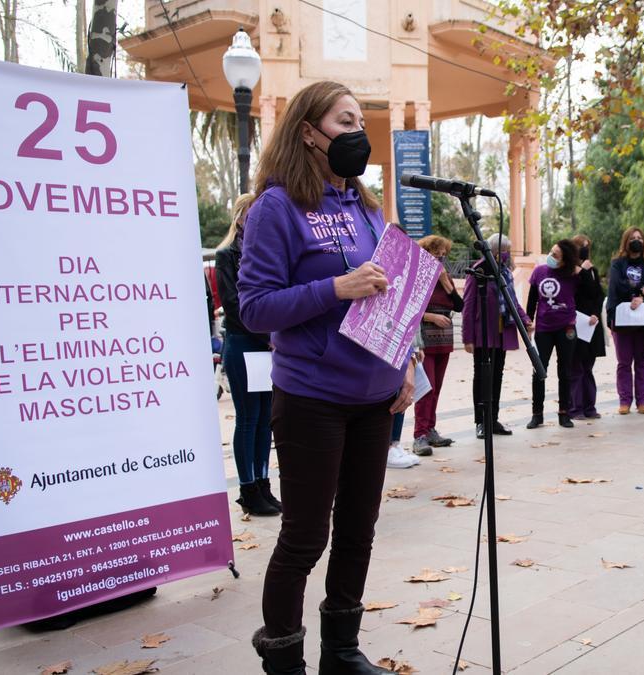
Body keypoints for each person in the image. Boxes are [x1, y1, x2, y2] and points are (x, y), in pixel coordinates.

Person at [239, 81, 415, 675]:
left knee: (358, 531)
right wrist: (334, 288)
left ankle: (341, 650)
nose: (357, 134)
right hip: (312, 396)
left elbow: (391, 297)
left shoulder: (367, 209)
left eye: (360, 122)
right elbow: (255, 308)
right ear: (309, 132)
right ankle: (284, 656)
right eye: (344, 122)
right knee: (306, 536)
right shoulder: (276, 207)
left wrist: (406, 362)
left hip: (375, 397)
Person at [215, 193, 280, 516]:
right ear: (241, 217)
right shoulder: (227, 255)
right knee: (248, 418)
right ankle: (247, 487)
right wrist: (269, 335)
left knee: (266, 418)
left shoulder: (266, 253)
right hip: (243, 342)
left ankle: (264, 483)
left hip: (266, 344)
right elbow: (234, 304)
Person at [462, 233, 531, 438]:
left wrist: (525, 319)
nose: (506, 254)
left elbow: (513, 300)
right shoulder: (479, 270)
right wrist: (467, 337)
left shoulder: (506, 273)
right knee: (482, 376)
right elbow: (468, 304)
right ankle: (480, 422)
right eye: (503, 250)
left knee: (497, 375)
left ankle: (493, 419)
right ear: (492, 251)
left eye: (508, 250)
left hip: (502, 332)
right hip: (483, 332)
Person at [412, 235, 464, 454]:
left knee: (437, 388)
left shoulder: (446, 278)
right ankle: (419, 435)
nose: (441, 258)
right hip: (425, 338)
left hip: (444, 339)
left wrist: (446, 283)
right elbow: (411, 309)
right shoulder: (418, 277)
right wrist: (431, 317)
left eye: (443, 254)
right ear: (426, 253)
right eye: (436, 253)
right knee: (426, 387)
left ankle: (431, 429)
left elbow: (460, 306)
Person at [607, 227, 644, 414]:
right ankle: (624, 401)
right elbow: (617, 283)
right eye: (632, 238)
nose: (636, 240)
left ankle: (642, 401)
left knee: (642, 361)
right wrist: (640, 291)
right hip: (622, 320)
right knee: (624, 362)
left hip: (643, 320)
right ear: (626, 241)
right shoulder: (617, 263)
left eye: (639, 237)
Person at [526, 240, 580, 429]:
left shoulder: (573, 275)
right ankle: (537, 414)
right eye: (551, 252)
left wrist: (583, 271)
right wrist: (528, 320)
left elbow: (591, 292)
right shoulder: (539, 272)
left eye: (556, 255)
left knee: (565, 371)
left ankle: (564, 413)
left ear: (565, 260)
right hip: (543, 328)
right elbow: (532, 299)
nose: (551, 256)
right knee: (539, 370)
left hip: (567, 328)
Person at [568, 234, 605, 419]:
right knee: (577, 369)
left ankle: (590, 407)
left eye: (587, 245)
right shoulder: (571, 271)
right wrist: (582, 271)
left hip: (591, 325)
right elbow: (574, 292)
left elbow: (597, 294)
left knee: (588, 368)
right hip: (576, 325)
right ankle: (575, 408)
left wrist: (596, 314)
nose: (585, 248)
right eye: (582, 245)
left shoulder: (592, 269)